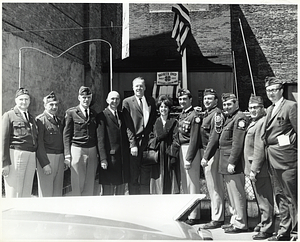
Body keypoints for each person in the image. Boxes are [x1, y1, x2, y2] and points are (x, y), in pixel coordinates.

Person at [261, 77, 297, 241]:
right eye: (268, 90)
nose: (271, 93)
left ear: (281, 90)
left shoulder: (291, 106)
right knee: (280, 196)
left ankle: (296, 232)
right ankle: (284, 230)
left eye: (274, 90)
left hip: (288, 158)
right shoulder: (269, 109)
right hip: (272, 158)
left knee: (292, 196)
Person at [216, 93, 249, 233]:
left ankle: (241, 223)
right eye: (225, 104)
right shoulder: (229, 118)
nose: (226, 107)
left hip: (232, 162)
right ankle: (234, 219)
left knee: (237, 194)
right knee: (231, 194)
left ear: (236, 103)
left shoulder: (239, 118)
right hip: (225, 161)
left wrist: (232, 162)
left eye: (229, 104)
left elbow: (237, 143)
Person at [243, 94, 274, 240]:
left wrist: (254, 170)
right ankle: (263, 223)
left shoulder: (261, 123)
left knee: (264, 199)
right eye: (251, 108)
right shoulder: (254, 121)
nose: (253, 110)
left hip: (258, 168)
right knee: (259, 198)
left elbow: (259, 148)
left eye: (256, 107)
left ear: (262, 108)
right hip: (252, 167)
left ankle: (267, 228)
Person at [122, 77, 157, 194]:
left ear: (145, 87)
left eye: (141, 86)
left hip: (147, 144)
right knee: (134, 176)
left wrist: (152, 141)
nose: (139, 88)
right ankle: (134, 203)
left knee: (146, 175)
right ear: (133, 88)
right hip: (135, 145)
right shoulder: (127, 102)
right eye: (136, 86)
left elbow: (152, 122)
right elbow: (128, 125)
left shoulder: (151, 101)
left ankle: (145, 202)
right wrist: (133, 144)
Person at [97, 91, 136, 195]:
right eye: (112, 99)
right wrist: (103, 159)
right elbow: (100, 140)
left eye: (117, 99)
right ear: (107, 100)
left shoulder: (122, 115)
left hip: (121, 159)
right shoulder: (102, 116)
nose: (115, 101)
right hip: (110, 159)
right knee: (108, 191)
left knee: (121, 190)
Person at [2, 87, 38, 197]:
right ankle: (13, 214)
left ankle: (24, 213)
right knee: (15, 191)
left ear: (30, 101)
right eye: (21, 99)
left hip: (31, 155)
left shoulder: (31, 118)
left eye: (26, 99)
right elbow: (3, 140)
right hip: (16, 154)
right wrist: (4, 163)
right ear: (16, 100)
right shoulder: (9, 115)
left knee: (26, 191)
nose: (24, 102)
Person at [63, 86, 98, 196]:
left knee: (90, 181)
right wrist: (67, 155)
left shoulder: (94, 114)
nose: (86, 100)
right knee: (77, 181)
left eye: (88, 97)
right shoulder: (71, 113)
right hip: (77, 149)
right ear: (79, 98)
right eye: (83, 97)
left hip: (92, 150)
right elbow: (66, 135)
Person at [198, 88, 226, 229]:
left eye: (210, 98)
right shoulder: (207, 114)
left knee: (215, 186)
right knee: (211, 186)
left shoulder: (217, 114)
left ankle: (217, 218)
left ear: (216, 101)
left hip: (212, 154)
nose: (207, 101)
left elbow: (214, 138)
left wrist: (206, 156)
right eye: (205, 99)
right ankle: (217, 216)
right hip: (208, 153)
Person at [176, 88, 202, 225]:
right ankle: (187, 212)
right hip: (181, 149)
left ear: (190, 100)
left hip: (189, 150)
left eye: (184, 99)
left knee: (192, 183)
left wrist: (189, 158)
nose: (182, 101)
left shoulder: (194, 115)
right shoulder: (182, 114)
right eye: (180, 99)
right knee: (185, 184)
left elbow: (194, 138)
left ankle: (194, 215)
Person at [148, 95, 180, 194]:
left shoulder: (174, 122)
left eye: (165, 107)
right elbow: (150, 138)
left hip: (169, 153)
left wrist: (173, 155)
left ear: (169, 108)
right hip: (157, 153)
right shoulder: (154, 122)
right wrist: (157, 139)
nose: (163, 109)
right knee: (157, 178)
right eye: (161, 107)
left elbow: (176, 140)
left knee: (170, 177)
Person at [36, 91, 64, 197]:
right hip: (47, 159)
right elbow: (39, 144)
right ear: (45, 105)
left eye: (56, 104)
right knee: (46, 192)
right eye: (51, 104)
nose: (54, 107)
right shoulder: (40, 120)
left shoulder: (59, 121)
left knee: (57, 193)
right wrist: (44, 164)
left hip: (59, 158)